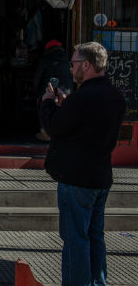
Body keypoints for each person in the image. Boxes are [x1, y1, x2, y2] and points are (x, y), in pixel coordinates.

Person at [40, 41, 125, 286]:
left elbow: (54, 128)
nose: (72, 67)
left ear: (86, 65)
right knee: (95, 237)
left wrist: (48, 102)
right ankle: (98, 282)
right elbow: (88, 125)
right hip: (101, 177)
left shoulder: (84, 97)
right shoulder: (115, 97)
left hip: (76, 179)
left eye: (74, 63)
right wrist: (67, 106)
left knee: (75, 239)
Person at [33, 39, 72, 141]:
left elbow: (37, 80)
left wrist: (36, 93)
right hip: (66, 92)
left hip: (48, 90)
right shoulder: (67, 61)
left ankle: (45, 133)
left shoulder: (44, 60)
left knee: (44, 107)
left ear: (48, 49)